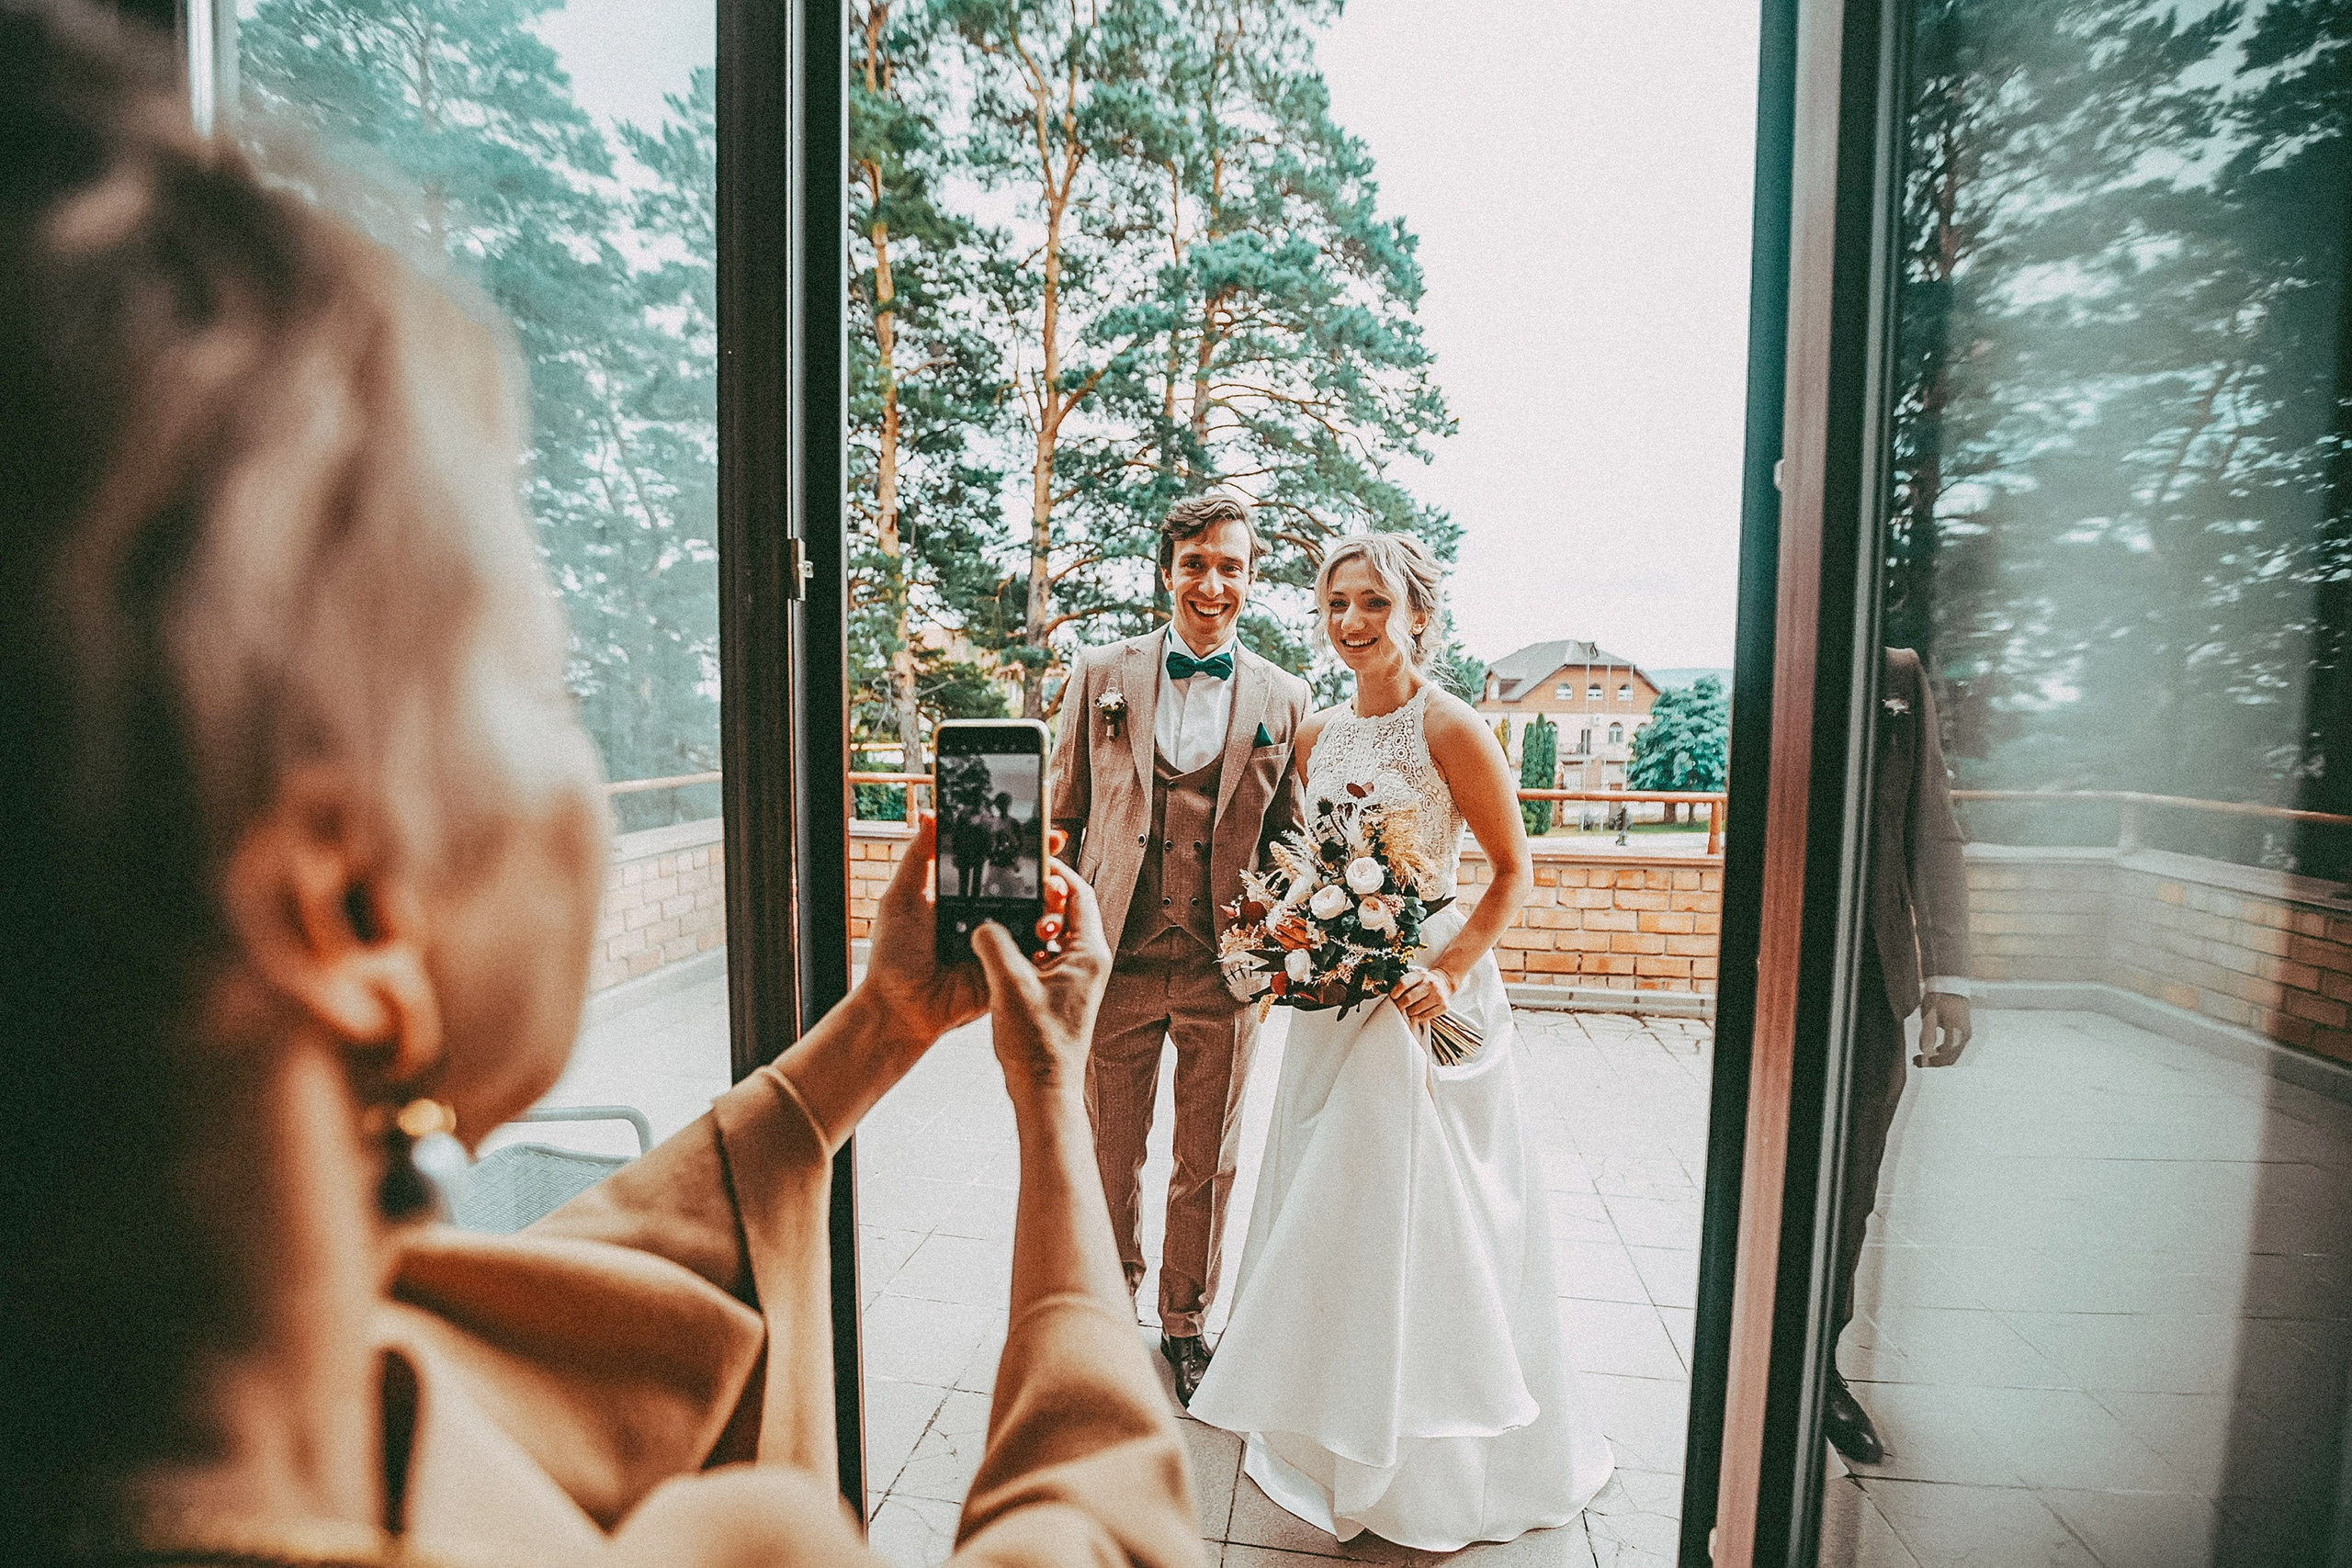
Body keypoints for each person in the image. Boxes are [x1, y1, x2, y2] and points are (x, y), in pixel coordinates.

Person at [0, 8, 1200, 1563]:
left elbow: (582, 1292)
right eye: (543, 681)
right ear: (347, 895)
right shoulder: (742, 1548)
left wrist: (879, 1030)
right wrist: (1052, 1104)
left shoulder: (169, 1396)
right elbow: (1096, 1526)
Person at [1187, 534, 1613, 1550]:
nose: (1349, 624)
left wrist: (1445, 969)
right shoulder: (1317, 731)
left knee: (1420, 1216)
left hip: (1422, 998)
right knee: (1325, 1208)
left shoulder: (1452, 726)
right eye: (1335, 604)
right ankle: (1325, 1430)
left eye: (1371, 603)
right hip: (1336, 996)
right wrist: (1292, 930)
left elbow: (1510, 870)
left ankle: (1432, 1455)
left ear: (1417, 612)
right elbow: (1310, 861)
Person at [1047, 493, 1310, 1406]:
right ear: (1167, 570)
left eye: (1230, 566)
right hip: (1115, 957)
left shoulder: (1285, 695)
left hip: (1224, 969)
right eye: (1196, 563)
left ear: (1249, 577)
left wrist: (1280, 934)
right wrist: (1051, 938)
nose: (1212, 582)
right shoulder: (1099, 673)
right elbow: (1061, 814)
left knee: (1208, 1158)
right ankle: (1108, 1313)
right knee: (1109, 1149)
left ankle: (1187, 1324)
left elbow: (1293, 838)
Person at [1822, 647, 1973, 1465]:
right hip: (1781, 979)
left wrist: (1949, 971)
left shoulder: (1894, 673)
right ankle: (1753, 1361)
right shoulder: (1764, 651)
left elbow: (1931, 821)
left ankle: (1820, 1371)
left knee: (1852, 1187)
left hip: (1874, 984)